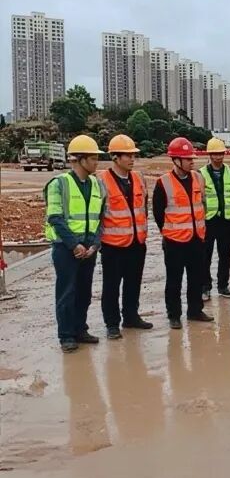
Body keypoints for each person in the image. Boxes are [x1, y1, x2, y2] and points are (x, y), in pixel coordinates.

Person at [45, 136, 106, 353]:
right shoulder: (59, 184)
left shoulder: (97, 184)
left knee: (84, 292)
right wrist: (74, 245)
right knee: (67, 292)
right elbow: (55, 217)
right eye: (93, 158)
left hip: (89, 248)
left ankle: (80, 329)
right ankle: (66, 335)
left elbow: (101, 217)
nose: (96, 162)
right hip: (65, 248)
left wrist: (95, 244)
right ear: (79, 159)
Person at [152, 137, 213, 330]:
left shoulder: (198, 178)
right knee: (174, 280)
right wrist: (170, 231)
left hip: (197, 239)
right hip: (174, 241)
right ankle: (174, 315)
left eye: (192, 158)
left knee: (197, 277)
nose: (192, 161)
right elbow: (158, 213)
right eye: (188, 159)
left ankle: (195, 310)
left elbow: (203, 204)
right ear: (176, 160)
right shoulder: (163, 183)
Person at [99, 134, 152, 338]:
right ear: (115, 157)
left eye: (133, 155)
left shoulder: (138, 178)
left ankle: (131, 316)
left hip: (137, 242)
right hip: (113, 245)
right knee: (111, 286)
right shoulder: (102, 180)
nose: (132, 159)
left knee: (133, 282)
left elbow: (143, 207)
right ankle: (112, 323)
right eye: (127, 155)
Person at [200, 137, 230, 300]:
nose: (218, 157)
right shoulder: (200, 174)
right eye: (215, 154)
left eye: (221, 153)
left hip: (226, 220)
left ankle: (223, 286)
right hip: (208, 221)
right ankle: (205, 287)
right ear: (209, 155)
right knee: (205, 256)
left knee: (225, 255)